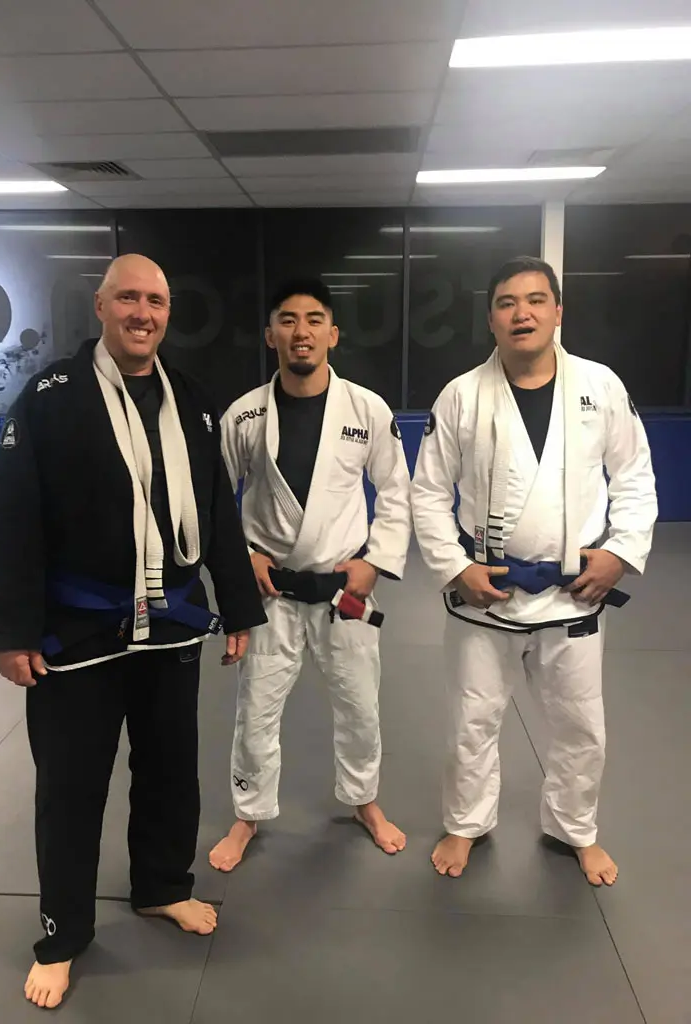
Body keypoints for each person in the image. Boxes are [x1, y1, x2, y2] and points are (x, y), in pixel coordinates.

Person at [0, 254, 266, 1010]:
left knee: (171, 771)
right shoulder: (49, 397)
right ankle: (62, 933)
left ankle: (161, 886)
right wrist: (12, 631)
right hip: (76, 630)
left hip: (171, 624)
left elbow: (219, 517)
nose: (144, 312)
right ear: (100, 307)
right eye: (129, 298)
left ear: (169, 313)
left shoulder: (193, 402)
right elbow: (12, 520)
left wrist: (237, 607)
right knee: (70, 789)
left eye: (157, 300)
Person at [411, 256, 657, 887]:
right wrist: (456, 567)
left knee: (580, 726)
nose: (522, 313)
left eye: (536, 300)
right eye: (506, 303)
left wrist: (620, 553)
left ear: (558, 312)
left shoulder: (601, 386)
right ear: (490, 318)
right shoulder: (461, 395)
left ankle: (575, 830)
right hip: (483, 595)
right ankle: (466, 823)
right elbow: (428, 494)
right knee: (472, 720)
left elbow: (634, 478)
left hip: (574, 592)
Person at [208, 279, 412, 872]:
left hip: (342, 590)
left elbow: (396, 492)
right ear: (271, 334)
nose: (303, 332)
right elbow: (217, 499)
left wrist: (375, 563)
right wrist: (243, 556)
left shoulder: (366, 409)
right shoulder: (244, 414)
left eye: (315, 319)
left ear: (333, 334)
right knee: (257, 707)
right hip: (271, 590)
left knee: (359, 705)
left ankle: (364, 801)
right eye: (289, 320)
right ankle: (248, 813)